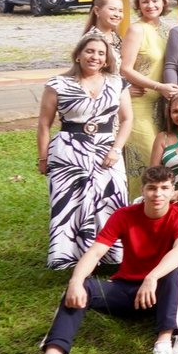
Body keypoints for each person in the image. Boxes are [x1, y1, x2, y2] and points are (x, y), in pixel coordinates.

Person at [22, 166, 178, 354]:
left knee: (174, 271)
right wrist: (75, 281)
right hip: (125, 291)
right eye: (152, 188)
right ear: (142, 190)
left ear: (173, 191)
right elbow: (94, 253)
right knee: (81, 286)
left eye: (164, 188)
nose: (158, 194)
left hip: (159, 294)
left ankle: (163, 344)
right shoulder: (124, 215)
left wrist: (152, 277)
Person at [38, 32, 133, 269]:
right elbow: (44, 124)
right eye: (90, 51)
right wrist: (43, 157)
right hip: (68, 150)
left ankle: (111, 255)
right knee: (70, 203)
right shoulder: (57, 84)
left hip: (106, 149)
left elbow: (127, 119)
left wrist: (116, 149)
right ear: (78, 55)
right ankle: (69, 256)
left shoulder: (117, 82)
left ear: (107, 58)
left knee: (110, 198)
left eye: (101, 53)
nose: (95, 57)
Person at [120, 0, 175, 190]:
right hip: (138, 105)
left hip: (161, 106)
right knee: (145, 157)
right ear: (138, 5)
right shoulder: (136, 29)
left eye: (154, 0)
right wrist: (158, 86)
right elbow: (126, 69)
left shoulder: (168, 30)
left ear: (163, 1)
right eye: (145, 2)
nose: (150, 5)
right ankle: (136, 204)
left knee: (162, 159)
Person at [82, 0, 126, 73]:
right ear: (97, 11)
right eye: (112, 9)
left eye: (120, 11)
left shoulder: (115, 36)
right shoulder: (92, 40)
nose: (117, 14)